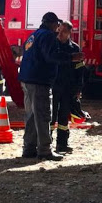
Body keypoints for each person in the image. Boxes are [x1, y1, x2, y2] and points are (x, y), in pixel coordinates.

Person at [18, 12, 84, 161]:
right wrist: (71, 57)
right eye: (57, 25)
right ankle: (45, 150)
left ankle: (29, 148)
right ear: (52, 24)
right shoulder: (48, 36)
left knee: (31, 115)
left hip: (27, 80)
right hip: (39, 81)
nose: (58, 28)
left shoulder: (33, 35)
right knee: (43, 116)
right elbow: (51, 56)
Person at [50, 21, 85, 153]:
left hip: (67, 87)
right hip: (53, 85)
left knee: (64, 116)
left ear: (69, 33)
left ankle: (62, 145)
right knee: (51, 117)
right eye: (59, 30)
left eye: (64, 31)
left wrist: (78, 89)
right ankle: (48, 144)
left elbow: (80, 70)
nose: (60, 33)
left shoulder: (74, 49)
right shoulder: (53, 45)